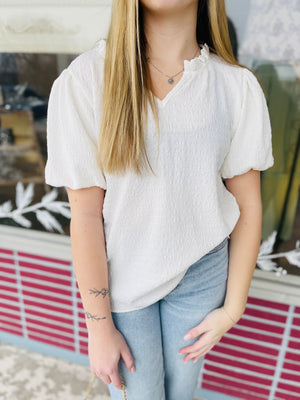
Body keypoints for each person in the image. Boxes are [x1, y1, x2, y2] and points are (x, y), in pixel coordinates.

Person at [44, 0, 274, 399]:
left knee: (181, 390)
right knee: (141, 394)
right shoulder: (85, 79)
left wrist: (232, 308)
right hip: (125, 276)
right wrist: (98, 328)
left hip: (203, 272)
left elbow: (248, 206)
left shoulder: (235, 86)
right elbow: (84, 216)